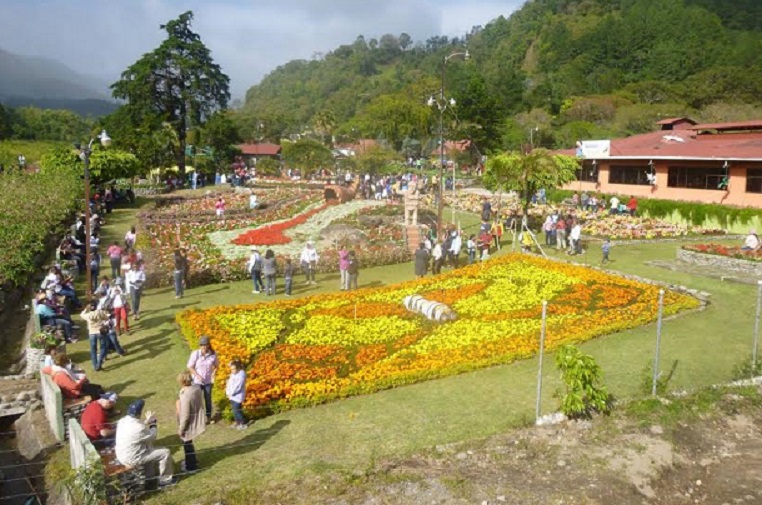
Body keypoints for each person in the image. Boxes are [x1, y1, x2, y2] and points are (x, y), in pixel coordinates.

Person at [115, 400, 175, 488]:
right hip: (132, 459)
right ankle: (165, 481)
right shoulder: (139, 428)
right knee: (165, 452)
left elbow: (135, 427)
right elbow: (152, 436)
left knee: (148, 449)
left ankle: (149, 478)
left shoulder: (122, 421)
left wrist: (147, 421)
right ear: (139, 414)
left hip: (121, 454)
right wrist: (153, 423)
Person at [176, 371, 206, 473]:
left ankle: (191, 467)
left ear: (182, 382)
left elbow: (185, 415)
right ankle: (192, 461)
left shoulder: (186, 395)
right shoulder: (196, 388)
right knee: (189, 443)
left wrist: (181, 429)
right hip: (196, 418)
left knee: (187, 444)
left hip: (188, 422)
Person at [187, 336, 218, 424]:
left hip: (208, 381)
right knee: (197, 399)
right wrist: (197, 375)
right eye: (202, 345)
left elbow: (216, 365)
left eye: (205, 345)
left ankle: (208, 417)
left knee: (208, 399)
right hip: (197, 381)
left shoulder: (213, 354)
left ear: (208, 345)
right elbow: (190, 366)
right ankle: (198, 418)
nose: (203, 347)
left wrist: (214, 373)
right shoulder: (195, 354)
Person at [80, 301, 110, 371]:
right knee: (103, 347)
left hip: (92, 333)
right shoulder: (99, 312)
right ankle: (99, 364)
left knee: (93, 349)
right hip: (100, 331)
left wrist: (85, 309)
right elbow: (106, 318)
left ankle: (94, 365)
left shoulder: (87, 315)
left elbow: (81, 315)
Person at [226, 359, 248, 430]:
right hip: (232, 396)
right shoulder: (233, 374)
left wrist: (230, 393)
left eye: (234, 369)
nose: (232, 371)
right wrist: (228, 392)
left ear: (238, 368)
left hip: (237, 396)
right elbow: (229, 383)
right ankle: (237, 422)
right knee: (234, 409)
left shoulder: (241, 376)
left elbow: (238, 387)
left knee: (237, 410)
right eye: (231, 369)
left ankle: (242, 423)